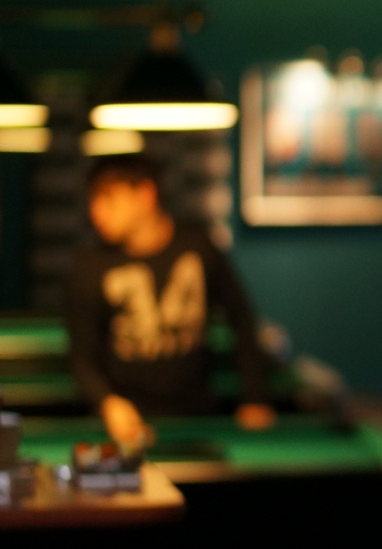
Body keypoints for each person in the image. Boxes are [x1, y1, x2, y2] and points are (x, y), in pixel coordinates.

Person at [67, 153, 276, 443]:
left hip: (198, 419)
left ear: (145, 195)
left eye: (109, 199)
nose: (96, 213)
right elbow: (81, 357)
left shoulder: (198, 246)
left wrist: (254, 397)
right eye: (94, 201)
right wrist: (107, 402)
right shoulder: (89, 266)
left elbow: (241, 320)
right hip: (126, 429)